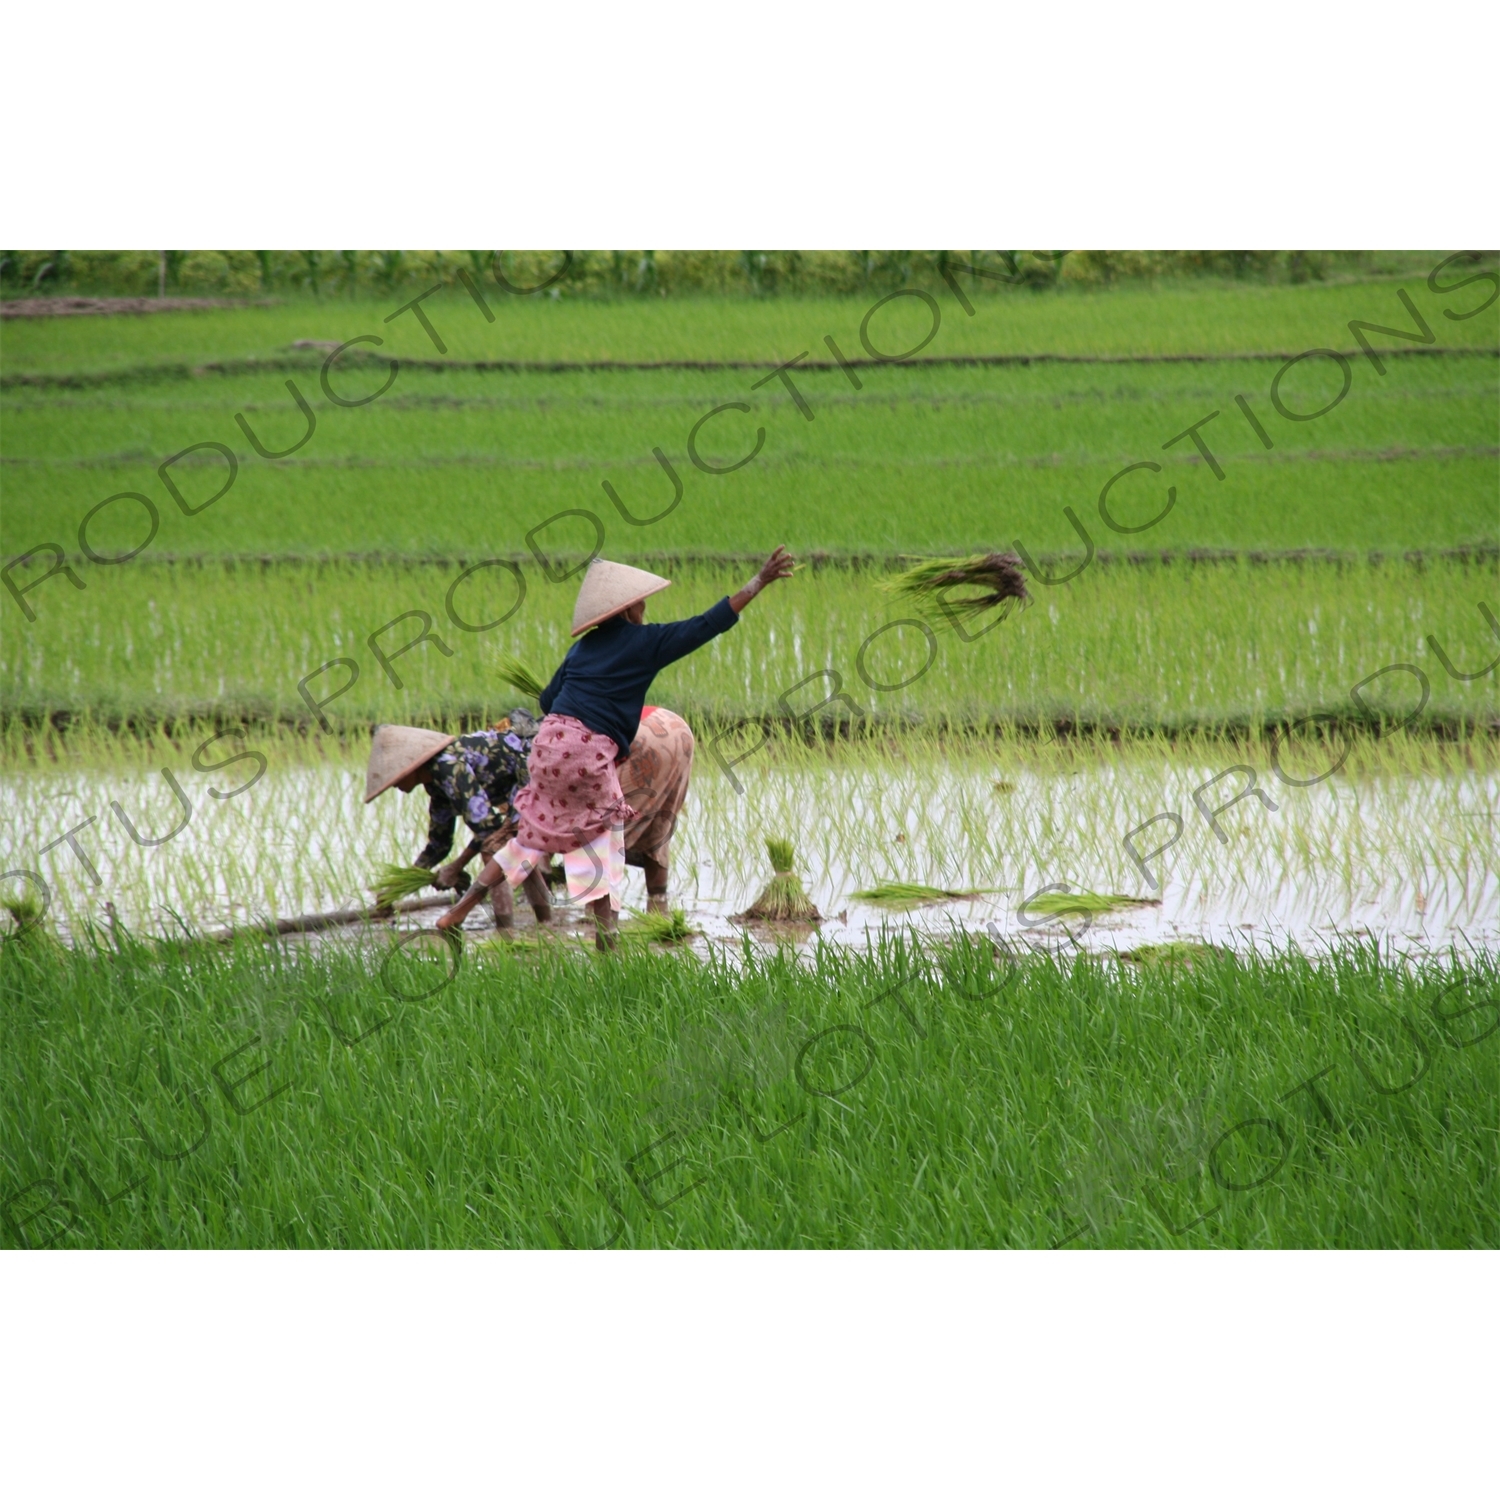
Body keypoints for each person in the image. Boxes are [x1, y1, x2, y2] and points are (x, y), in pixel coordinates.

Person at [438, 547, 794, 947]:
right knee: (601, 846)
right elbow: (707, 624)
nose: (645, 609)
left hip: (546, 747)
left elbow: (547, 702)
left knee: (527, 837)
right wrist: (758, 582)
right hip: (588, 755)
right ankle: (607, 951)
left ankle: (460, 910)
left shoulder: (582, 648)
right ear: (627, 610)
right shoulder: (646, 643)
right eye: (641, 603)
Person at [363, 712, 552, 927]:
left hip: (534, 766)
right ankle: (546, 923)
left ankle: (505, 931)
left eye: (396, 776)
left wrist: (455, 867)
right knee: (514, 843)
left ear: (412, 767)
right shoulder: (436, 784)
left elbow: (488, 829)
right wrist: (396, 890)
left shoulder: (448, 767)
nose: (394, 784)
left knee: (493, 849)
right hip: (519, 781)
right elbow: (438, 845)